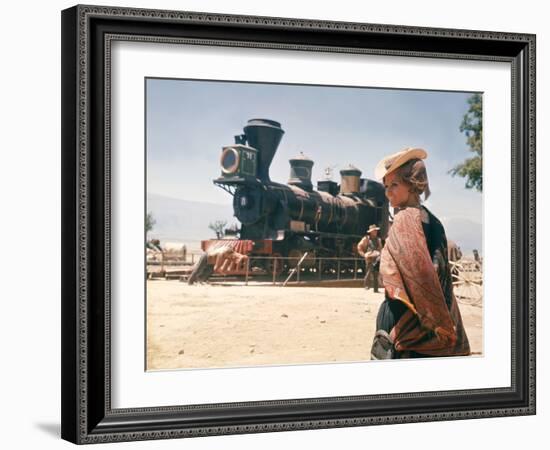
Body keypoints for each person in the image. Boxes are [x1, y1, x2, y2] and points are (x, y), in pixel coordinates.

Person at [370, 147, 471, 359]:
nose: (388, 192)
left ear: (413, 184)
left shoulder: (404, 220)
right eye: (386, 186)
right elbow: (440, 276)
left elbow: (418, 277)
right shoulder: (434, 221)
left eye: (394, 184)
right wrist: (443, 322)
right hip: (436, 319)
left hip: (403, 319)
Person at [357, 224, 382, 292]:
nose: (376, 232)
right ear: (371, 232)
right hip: (369, 257)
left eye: (376, 231)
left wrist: (380, 255)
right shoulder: (366, 239)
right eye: (374, 231)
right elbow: (359, 247)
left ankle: (375, 289)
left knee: (376, 273)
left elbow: (380, 248)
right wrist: (364, 255)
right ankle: (366, 286)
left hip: (376, 257)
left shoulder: (378, 240)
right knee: (368, 271)